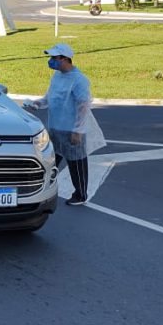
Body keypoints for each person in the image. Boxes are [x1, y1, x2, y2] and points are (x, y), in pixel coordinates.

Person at [23, 43, 105, 206]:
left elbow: (83, 106)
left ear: (65, 59)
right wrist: (37, 104)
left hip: (71, 129)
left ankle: (80, 194)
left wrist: (78, 130)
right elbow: (49, 97)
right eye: (51, 57)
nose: (51, 61)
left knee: (76, 163)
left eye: (54, 58)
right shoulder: (57, 76)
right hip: (55, 127)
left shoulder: (79, 80)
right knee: (50, 161)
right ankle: (42, 190)